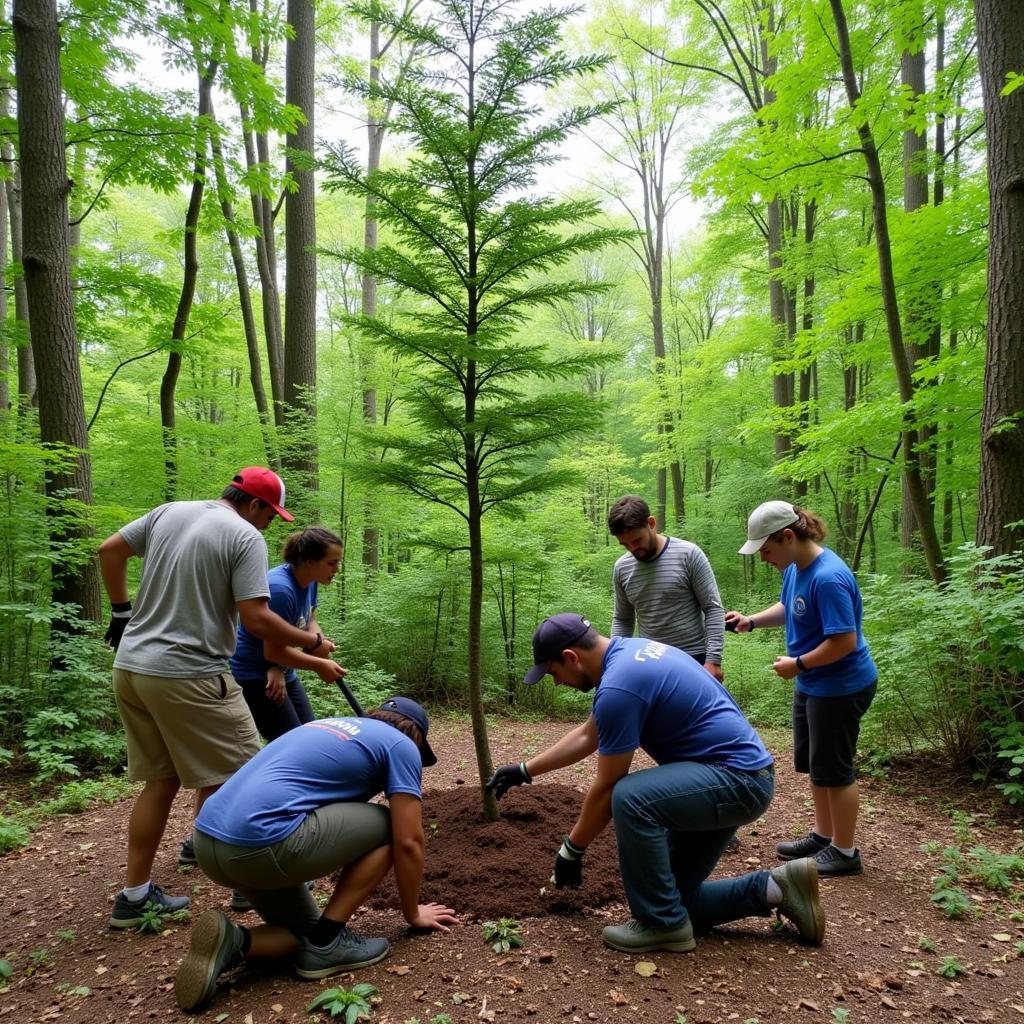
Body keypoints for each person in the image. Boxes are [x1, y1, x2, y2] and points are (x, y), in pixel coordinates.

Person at [486, 614, 825, 955]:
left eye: (553, 672)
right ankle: (778, 888)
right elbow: (589, 734)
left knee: (629, 797)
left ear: (572, 657)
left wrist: (571, 851)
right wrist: (524, 770)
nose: (556, 682)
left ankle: (661, 926)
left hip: (735, 780)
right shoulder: (629, 656)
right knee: (673, 899)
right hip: (738, 777)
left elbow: (607, 785)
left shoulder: (620, 685)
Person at [98, 467, 347, 929]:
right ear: (255, 505)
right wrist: (311, 644)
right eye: (270, 516)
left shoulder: (170, 512)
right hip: (189, 672)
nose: (268, 526)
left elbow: (109, 551)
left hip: (132, 668)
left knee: (164, 780)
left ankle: (135, 895)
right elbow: (256, 620)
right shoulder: (244, 536)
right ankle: (251, 883)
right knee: (248, 774)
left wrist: (121, 611)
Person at [174, 697, 458, 1011]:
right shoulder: (401, 746)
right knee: (392, 826)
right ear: (417, 738)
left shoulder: (323, 727)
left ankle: (235, 941)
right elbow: (409, 841)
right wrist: (412, 913)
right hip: (260, 845)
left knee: (304, 937)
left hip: (210, 843)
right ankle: (329, 940)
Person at [725, 501, 877, 877]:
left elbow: (844, 641)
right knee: (817, 765)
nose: (763, 558)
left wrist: (798, 665)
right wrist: (752, 622)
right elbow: (789, 606)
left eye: (766, 550)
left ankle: (845, 851)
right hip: (815, 683)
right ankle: (824, 837)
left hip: (839, 686)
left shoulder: (828, 577)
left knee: (835, 768)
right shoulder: (796, 568)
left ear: (788, 537)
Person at [229, 526, 346, 742]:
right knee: (292, 745)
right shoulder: (281, 589)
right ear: (310, 561)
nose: (337, 568)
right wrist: (319, 664)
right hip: (255, 677)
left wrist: (317, 641)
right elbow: (273, 651)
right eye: (332, 563)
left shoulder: (309, 581)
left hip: (280, 669)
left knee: (310, 735)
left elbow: (309, 617)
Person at [608, 495, 726, 682]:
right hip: (649, 661)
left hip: (693, 659)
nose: (632, 549)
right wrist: (613, 661)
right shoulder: (622, 568)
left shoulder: (689, 554)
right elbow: (623, 618)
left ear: (651, 523)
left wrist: (713, 660)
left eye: (637, 540)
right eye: (625, 544)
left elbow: (712, 608)